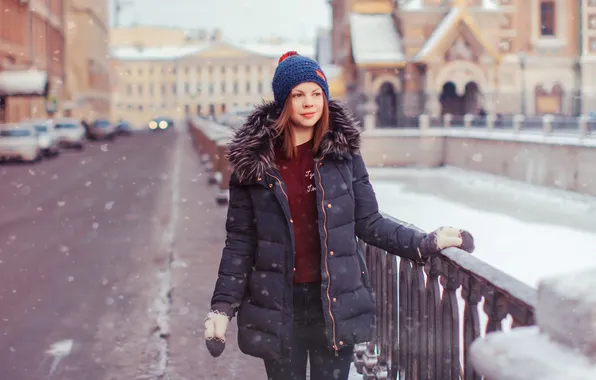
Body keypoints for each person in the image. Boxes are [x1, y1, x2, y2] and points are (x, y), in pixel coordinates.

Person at [204, 51, 475, 380]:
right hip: (278, 306)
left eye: (316, 94)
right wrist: (222, 306)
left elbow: (369, 221)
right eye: (298, 94)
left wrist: (422, 243)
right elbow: (241, 242)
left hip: (333, 305)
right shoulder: (255, 162)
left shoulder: (342, 154)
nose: (309, 103)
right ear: (282, 102)